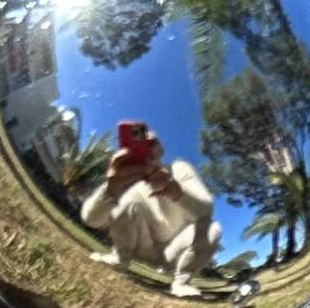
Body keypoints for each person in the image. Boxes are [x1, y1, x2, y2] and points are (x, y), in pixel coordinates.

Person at [83, 120, 218, 291]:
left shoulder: (179, 168)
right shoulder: (125, 177)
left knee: (212, 228)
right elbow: (90, 220)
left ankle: (181, 283)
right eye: (140, 143)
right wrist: (110, 190)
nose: (147, 148)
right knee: (130, 201)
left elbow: (207, 210)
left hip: (174, 252)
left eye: (152, 143)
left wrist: (176, 191)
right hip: (139, 246)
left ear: (161, 149)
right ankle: (119, 258)